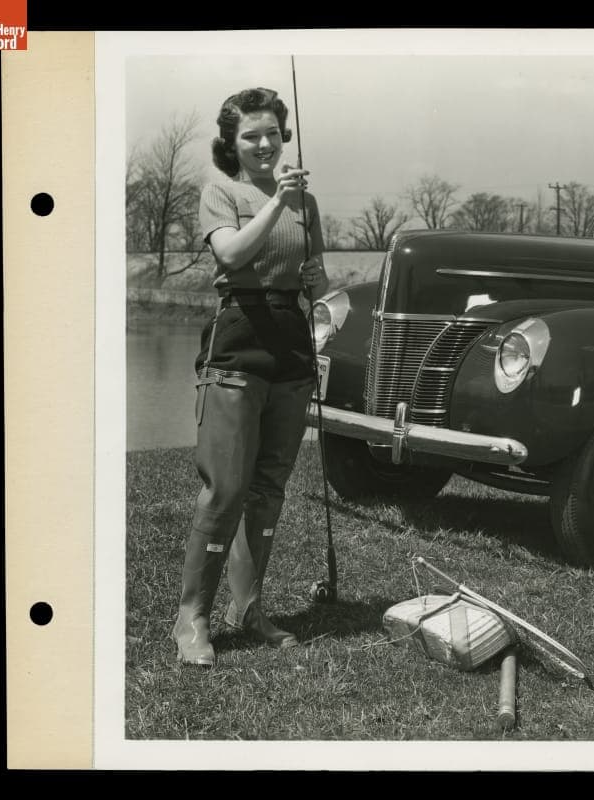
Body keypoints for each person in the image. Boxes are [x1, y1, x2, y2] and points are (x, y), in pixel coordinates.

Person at [171, 87, 329, 667]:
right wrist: (276, 203)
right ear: (232, 144)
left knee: (268, 488)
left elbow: (317, 277)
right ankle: (192, 618)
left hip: (290, 345)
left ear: (283, 136)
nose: (264, 144)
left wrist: (315, 275)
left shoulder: (304, 201)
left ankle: (250, 609)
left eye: (272, 133)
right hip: (237, 338)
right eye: (251, 136)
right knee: (226, 489)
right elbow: (234, 255)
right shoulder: (221, 190)